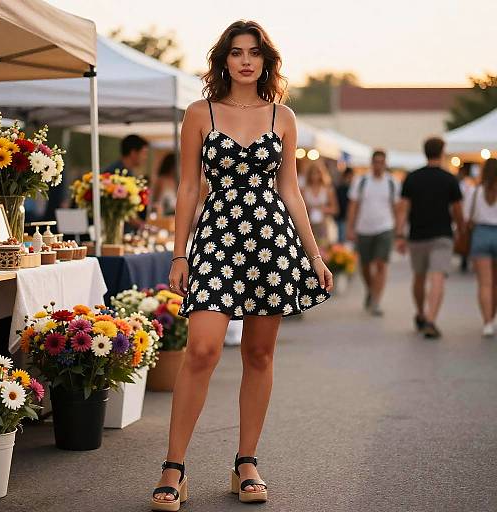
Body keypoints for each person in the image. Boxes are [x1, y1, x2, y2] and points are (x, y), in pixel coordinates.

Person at [151, 20, 333, 510]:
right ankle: (174, 467)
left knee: (259, 355)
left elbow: (290, 189)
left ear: (265, 61)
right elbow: (190, 187)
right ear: (224, 60)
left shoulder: (283, 116)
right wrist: (179, 251)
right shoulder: (199, 113)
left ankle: (245, 462)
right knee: (203, 349)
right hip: (215, 240)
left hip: (271, 244)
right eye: (236, 52)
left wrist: (313, 254)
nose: (246, 60)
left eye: (254, 52)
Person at [395, 137, 464, 339]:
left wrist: (400, 234)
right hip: (442, 235)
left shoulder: (412, 177)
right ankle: (432, 320)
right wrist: (462, 231)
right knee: (438, 277)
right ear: (442, 152)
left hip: (417, 235)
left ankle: (421, 313)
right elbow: (458, 210)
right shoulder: (449, 179)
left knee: (419, 277)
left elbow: (403, 209)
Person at [346, 150, 400, 316]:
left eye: (381, 162)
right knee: (365, 265)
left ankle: (376, 301)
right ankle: (370, 290)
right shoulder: (361, 181)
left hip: (385, 227)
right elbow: (353, 205)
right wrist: (350, 227)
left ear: (385, 163)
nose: (378, 165)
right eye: (375, 161)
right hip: (364, 228)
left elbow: (396, 207)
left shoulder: (392, 182)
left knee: (381, 264)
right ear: (371, 163)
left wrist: (399, 231)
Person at [465, 158, 497, 337]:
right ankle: (492, 315)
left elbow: (467, 217)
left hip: (481, 234)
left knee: (485, 283)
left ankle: (487, 322)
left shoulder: (475, 191)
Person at [302, 161, 339, 247]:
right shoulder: (304, 190)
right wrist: (309, 209)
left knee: (324, 248)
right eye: (312, 173)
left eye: (317, 173)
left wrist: (323, 209)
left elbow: (335, 209)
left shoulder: (328, 190)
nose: (315, 176)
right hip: (309, 225)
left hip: (324, 225)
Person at [457, 163, 474, 272]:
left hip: (481, 229)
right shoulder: (471, 186)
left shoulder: (474, 189)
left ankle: (464, 259)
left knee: (485, 283)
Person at [335, 167, 354, 243]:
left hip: (348, 218)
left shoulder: (353, 188)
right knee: (342, 240)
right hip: (342, 218)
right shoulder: (341, 188)